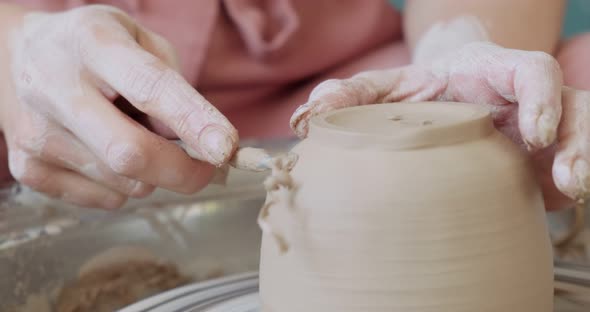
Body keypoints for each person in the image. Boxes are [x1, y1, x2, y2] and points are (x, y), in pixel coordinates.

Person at [0, 0, 588, 211]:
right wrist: (13, 45)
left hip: (350, 82)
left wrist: (454, 53)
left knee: (562, 107)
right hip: (55, 78)